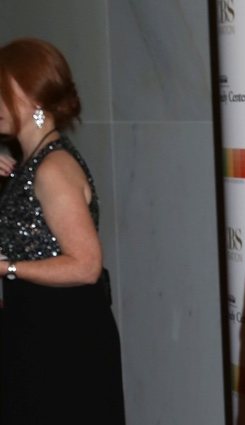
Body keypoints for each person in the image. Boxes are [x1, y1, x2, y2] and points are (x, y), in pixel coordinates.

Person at [0, 38, 125, 424]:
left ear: (33, 98)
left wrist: (6, 268)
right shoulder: (30, 164)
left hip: (61, 342)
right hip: (40, 335)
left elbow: (86, 266)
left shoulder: (52, 168)